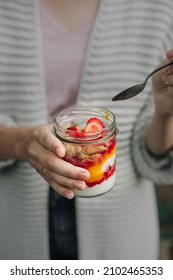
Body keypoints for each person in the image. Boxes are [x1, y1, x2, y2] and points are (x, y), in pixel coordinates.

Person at [0, 0, 173, 260]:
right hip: (17, 226)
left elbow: (151, 152)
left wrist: (165, 111)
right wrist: (21, 142)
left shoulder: (159, 7)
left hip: (120, 232)